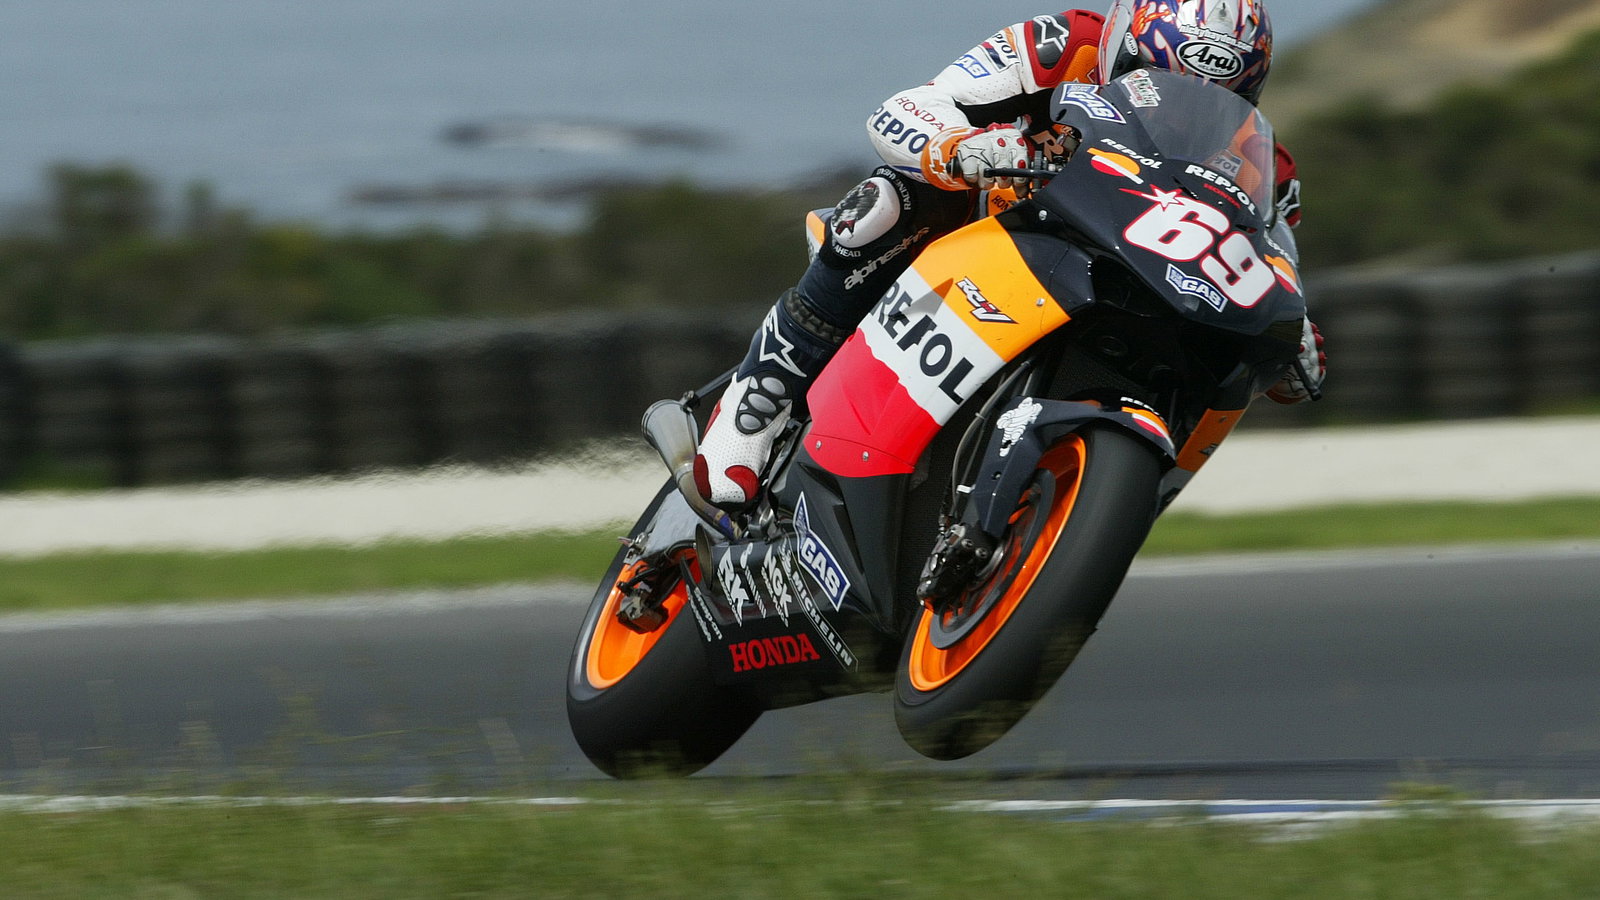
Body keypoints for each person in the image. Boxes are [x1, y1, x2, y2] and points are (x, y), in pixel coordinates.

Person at [694, 0, 1326, 510]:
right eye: (1156, 79)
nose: (1178, 109)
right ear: (1120, 46)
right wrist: (957, 147)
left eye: (1208, 97)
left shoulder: (1264, 163)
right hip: (987, 237)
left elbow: (1277, 265)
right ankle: (760, 396)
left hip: (1122, 281)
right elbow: (904, 110)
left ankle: (1096, 502)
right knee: (887, 203)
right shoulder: (1064, 43)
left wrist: (1292, 335)